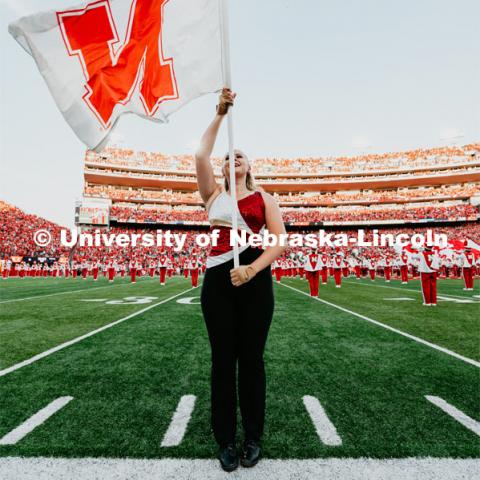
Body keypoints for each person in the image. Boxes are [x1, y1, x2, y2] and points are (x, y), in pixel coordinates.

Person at [195, 88, 286, 472]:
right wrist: (219, 113)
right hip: (218, 279)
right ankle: (225, 440)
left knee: (251, 361)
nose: (234, 158)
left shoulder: (264, 198)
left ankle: (252, 437)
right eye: (229, 156)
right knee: (222, 361)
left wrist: (251, 268)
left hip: (254, 280)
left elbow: (279, 241)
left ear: (250, 166)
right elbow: (201, 154)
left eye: (241, 156)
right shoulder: (213, 194)